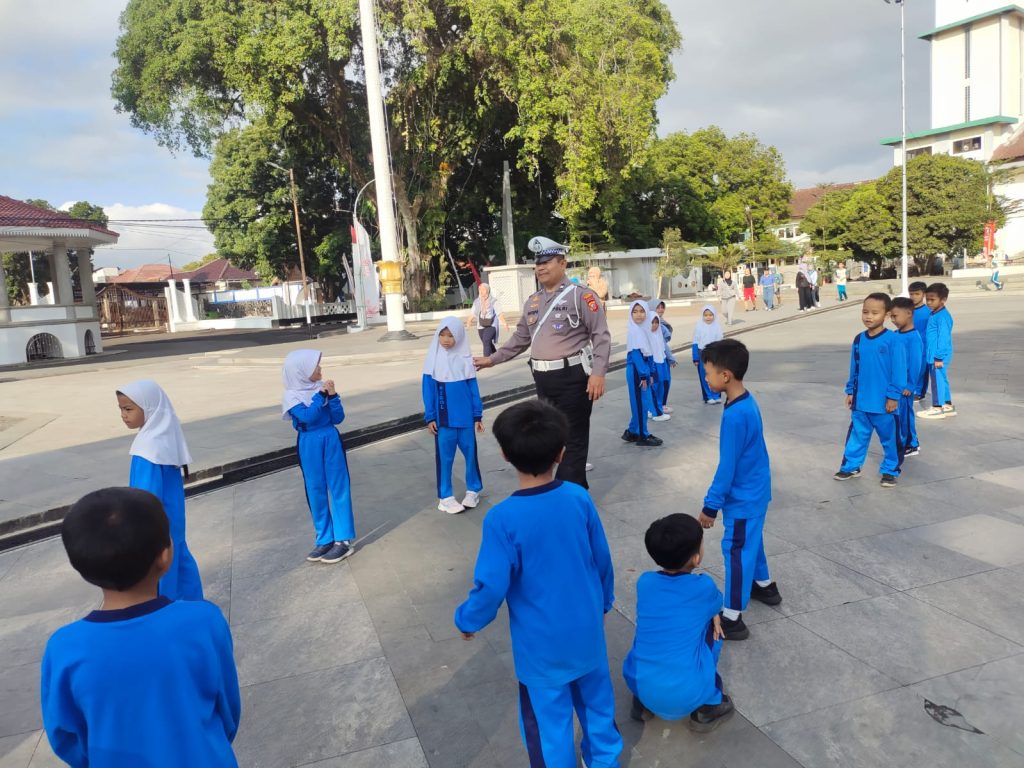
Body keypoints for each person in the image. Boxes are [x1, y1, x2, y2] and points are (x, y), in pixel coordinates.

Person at [454, 400, 621, 767]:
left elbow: (491, 585)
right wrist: (604, 601)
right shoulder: (579, 498)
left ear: (504, 454)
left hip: (540, 650)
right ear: (562, 453)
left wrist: (469, 620)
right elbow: (602, 560)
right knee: (598, 709)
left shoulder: (502, 519)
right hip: (587, 632)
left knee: (550, 725)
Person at [41, 487, 240, 766]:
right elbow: (227, 708)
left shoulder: (64, 647)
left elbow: (66, 736)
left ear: (81, 567)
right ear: (165, 556)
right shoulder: (204, 622)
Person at [474, 236, 611, 489]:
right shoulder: (533, 301)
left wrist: (599, 373)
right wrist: (492, 359)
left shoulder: (582, 296)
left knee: (574, 438)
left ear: (562, 263)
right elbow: (520, 338)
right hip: (543, 380)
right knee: (550, 436)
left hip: (573, 379)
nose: (541, 268)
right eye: (538, 263)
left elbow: (601, 336)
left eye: (547, 262)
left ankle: (569, 495)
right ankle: (567, 487)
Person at [698, 339, 780, 641]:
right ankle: (764, 585)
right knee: (750, 541)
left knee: (735, 549)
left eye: (708, 373)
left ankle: (732, 616)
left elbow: (727, 467)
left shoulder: (734, 415)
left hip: (743, 496)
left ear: (726, 376)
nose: (705, 379)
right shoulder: (746, 401)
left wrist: (710, 506)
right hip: (756, 490)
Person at [623, 513, 733, 732]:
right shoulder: (703, 587)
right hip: (687, 693)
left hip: (638, 682)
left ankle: (643, 704)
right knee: (715, 629)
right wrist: (713, 615)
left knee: (652, 632)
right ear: (696, 558)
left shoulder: (645, 582)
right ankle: (708, 705)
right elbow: (715, 604)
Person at [116, 379, 202, 600]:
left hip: (156, 529)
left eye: (128, 409)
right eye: (121, 409)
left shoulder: (147, 449)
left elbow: (145, 498)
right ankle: (192, 611)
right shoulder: (163, 439)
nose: (124, 415)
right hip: (173, 524)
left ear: (150, 408)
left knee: (162, 579)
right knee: (180, 566)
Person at [282, 349, 356, 563]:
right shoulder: (292, 395)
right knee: (315, 489)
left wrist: (333, 396)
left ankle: (342, 540)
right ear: (302, 370)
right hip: (308, 442)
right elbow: (308, 417)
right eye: (316, 366)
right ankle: (324, 537)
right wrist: (322, 395)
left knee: (338, 486)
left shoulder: (320, 388)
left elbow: (338, 417)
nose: (320, 369)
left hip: (331, 438)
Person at [834, 293, 906, 487]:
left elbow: (899, 372)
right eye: (865, 312)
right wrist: (851, 391)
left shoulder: (893, 340)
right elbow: (854, 367)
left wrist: (893, 396)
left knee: (890, 440)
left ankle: (890, 470)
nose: (869, 317)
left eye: (875, 312)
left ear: (886, 314)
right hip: (861, 402)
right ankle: (851, 466)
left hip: (884, 404)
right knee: (857, 436)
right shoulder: (859, 340)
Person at [423, 318, 485, 514]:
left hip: (466, 419)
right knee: (445, 458)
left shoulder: (466, 359)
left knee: (470, 455)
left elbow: (473, 390)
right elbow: (428, 391)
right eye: (442, 334)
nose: (446, 339)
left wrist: (477, 415)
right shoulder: (432, 360)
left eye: (450, 335)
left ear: (459, 336)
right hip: (444, 420)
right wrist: (430, 416)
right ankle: (445, 496)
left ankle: (473, 490)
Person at [622, 300, 662, 447]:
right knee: (640, 403)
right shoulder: (634, 331)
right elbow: (637, 355)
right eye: (635, 311)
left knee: (642, 402)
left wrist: (650, 372)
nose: (639, 315)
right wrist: (644, 375)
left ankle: (632, 431)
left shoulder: (644, 330)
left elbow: (649, 354)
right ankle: (642, 435)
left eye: (642, 311)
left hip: (643, 370)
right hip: (637, 371)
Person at [890, 297, 923, 457]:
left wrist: (910, 385)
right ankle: (901, 441)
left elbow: (916, 364)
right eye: (891, 316)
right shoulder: (895, 335)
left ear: (909, 313)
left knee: (905, 415)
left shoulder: (914, 338)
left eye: (895, 316)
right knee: (897, 415)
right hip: (895, 385)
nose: (893, 320)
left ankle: (912, 443)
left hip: (905, 388)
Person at [919, 283, 956, 419]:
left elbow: (944, 339)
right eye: (927, 299)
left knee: (937, 381)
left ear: (943, 299)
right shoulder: (934, 314)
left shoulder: (943, 317)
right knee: (941, 378)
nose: (928, 302)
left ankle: (937, 407)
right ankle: (947, 404)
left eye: (932, 299)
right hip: (933, 355)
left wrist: (939, 357)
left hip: (938, 356)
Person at [466, 283, 510, 356]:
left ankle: (486, 359)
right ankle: (497, 355)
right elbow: (472, 314)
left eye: (483, 289)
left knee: (486, 340)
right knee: (487, 342)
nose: (481, 291)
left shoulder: (493, 301)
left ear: (487, 290)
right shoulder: (476, 302)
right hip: (480, 326)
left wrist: (505, 324)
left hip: (491, 325)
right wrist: (468, 322)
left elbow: (499, 313)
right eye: (479, 289)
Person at [692, 305, 724, 405]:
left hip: (715, 354)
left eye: (710, 315)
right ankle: (708, 396)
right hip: (702, 353)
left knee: (716, 374)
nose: (708, 317)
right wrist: (695, 357)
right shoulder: (699, 326)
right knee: (704, 375)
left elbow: (720, 341)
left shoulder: (717, 326)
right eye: (706, 315)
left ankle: (716, 395)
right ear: (703, 315)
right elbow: (695, 342)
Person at [647, 308, 671, 423]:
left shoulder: (658, 334)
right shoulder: (646, 336)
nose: (655, 325)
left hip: (661, 362)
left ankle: (658, 407)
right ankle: (653, 410)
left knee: (661, 385)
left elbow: (663, 349)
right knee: (654, 387)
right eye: (652, 322)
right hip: (653, 364)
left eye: (657, 322)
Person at [653, 300, 677, 413]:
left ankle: (661, 404)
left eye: (662, 307)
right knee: (660, 382)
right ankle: (657, 406)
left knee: (664, 381)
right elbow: (662, 343)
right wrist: (671, 358)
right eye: (658, 307)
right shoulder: (655, 323)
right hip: (657, 358)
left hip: (662, 356)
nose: (661, 310)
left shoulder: (660, 321)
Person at [909, 281, 930, 402]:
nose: (914, 297)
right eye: (911, 294)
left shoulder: (928, 312)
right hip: (909, 345)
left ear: (923, 294)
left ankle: (919, 391)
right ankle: (909, 388)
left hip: (924, 346)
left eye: (917, 294)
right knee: (910, 368)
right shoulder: (907, 310)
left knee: (922, 369)